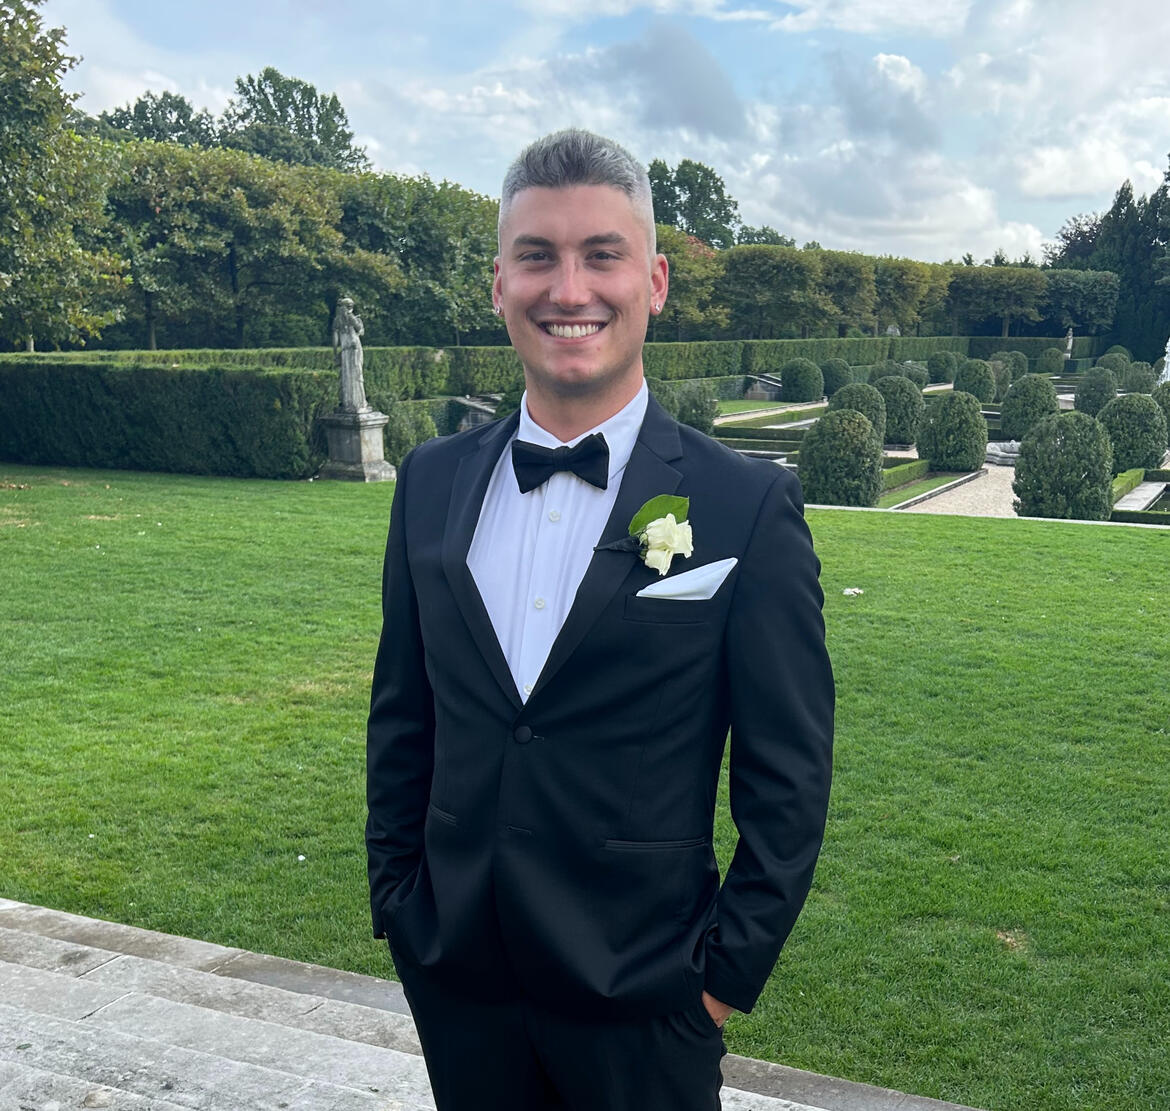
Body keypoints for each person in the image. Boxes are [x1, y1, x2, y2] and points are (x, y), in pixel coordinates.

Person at [366, 128, 834, 1111]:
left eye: (601, 255)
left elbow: (788, 777)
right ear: (500, 283)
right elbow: (403, 716)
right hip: (461, 986)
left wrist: (719, 982)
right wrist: (400, 901)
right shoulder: (429, 483)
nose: (568, 289)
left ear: (654, 282)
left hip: (647, 1005)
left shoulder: (745, 506)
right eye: (537, 255)